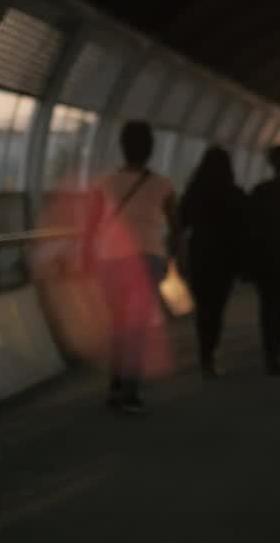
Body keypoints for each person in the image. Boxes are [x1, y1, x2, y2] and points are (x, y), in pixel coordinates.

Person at [88, 120, 183, 414]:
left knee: (118, 323)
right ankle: (130, 389)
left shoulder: (103, 182)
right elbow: (176, 228)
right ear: (151, 149)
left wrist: (84, 259)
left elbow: (90, 225)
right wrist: (175, 259)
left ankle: (116, 383)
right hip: (148, 260)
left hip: (111, 260)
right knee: (138, 326)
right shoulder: (164, 185)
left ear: (122, 147)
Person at [178, 146, 246, 378]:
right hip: (226, 257)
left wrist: (178, 254)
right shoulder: (235, 193)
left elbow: (181, 222)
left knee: (203, 305)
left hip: (200, 253)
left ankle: (204, 349)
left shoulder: (193, 192)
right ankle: (210, 351)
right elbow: (243, 230)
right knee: (217, 307)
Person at [245, 145, 280, 375]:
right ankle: (276, 354)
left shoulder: (259, 190)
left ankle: (270, 352)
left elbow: (249, 226)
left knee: (267, 306)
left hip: (263, 256)